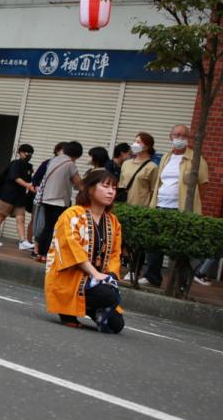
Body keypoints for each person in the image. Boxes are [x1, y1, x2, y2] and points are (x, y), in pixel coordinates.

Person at [44, 168, 125, 334]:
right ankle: (67, 310)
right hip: (70, 278)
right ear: (90, 189)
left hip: (96, 280)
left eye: (114, 188)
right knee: (108, 297)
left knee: (116, 325)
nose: (111, 192)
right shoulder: (72, 215)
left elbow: (115, 254)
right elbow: (70, 248)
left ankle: (88, 307)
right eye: (105, 186)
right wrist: (95, 273)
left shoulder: (112, 221)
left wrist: (111, 275)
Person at [141, 124, 211, 287]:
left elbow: (203, 185)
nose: (180, 138)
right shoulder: (166, 157)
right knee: (154, 242)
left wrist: (192, 204)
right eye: (177, 135)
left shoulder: (196, 159)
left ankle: (180, 281)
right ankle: (152, 276)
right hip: (160, 205)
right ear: (170, 137)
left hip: (179, 209)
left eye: (184, 135)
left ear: (189, 138)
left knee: (180, 245)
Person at [32, 141, 84, 260]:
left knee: (47, 226)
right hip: (59, 201)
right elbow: (79, 184)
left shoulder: (53, 160)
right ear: (77, 154)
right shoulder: (70, 164)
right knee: (55, 228)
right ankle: (46, 254)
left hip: (46, 199)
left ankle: (40, 252)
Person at [0, 143, 35, 250]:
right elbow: (15, 177)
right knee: (1, 216)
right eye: (26, 152)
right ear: (20, 153)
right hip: (8, 195)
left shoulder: (28, 166)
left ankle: (23, 241)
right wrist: (28, 185)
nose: (29, 155)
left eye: (31, 153)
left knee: (21, 218)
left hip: (19, 197)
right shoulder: (15, 164)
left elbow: (29, 180)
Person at [118, 132, 158, 207]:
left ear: (147, 146)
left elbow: (154, 191)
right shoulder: (126, 163)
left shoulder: (152, 167)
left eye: (138, 142)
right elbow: (121, 184)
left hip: (140, 209)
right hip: (123, 205)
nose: (134, 144)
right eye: (135, 141)